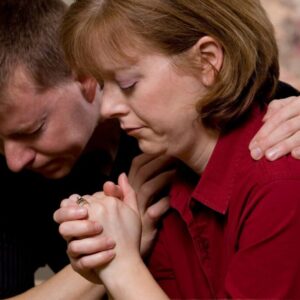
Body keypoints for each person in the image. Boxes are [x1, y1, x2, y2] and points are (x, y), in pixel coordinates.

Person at [54, 0, 300, 299]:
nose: (107, 109)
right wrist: (111, 247)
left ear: (206, 62)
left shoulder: (281, 185)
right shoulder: (169, 181)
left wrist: (121, 265)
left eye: (127, 82)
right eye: (104, 86)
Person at [0, 0, 173, 299]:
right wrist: (114, 250)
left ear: (85, 77)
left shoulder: (162, 110)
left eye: (32, 130)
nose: (15, 161)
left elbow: (251, 98)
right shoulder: (12, 177)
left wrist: (283, 110)